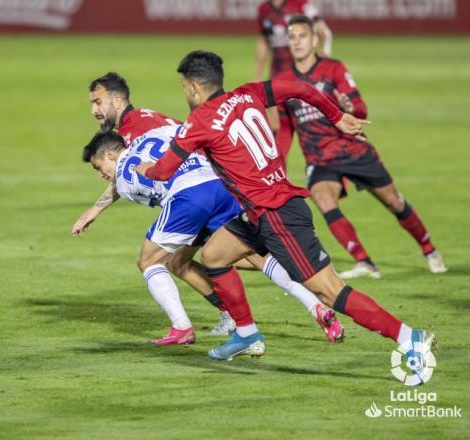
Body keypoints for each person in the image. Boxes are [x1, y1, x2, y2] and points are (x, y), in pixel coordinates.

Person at [136, 50, 436, 368]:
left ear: (195, 86)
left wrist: (145, 169)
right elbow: (299, 87)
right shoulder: (248, 94)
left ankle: (409, 337)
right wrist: (336, 116)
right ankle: (247, 335)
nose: (185, 93)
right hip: (259, 211)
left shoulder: (201, 121)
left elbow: (164, 171)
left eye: (185, 87)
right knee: (213, 256)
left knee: (331, 292)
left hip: (277, 214)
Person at [73, 72, 344, 344]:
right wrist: (95, 211)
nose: (94, 110)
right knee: (225, 257)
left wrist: (96, 209)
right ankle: (315, 306)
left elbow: (136, 169)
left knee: (162, 260)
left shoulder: (136, 128)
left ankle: (222, 320)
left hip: (197, 189)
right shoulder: (141, 122)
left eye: (98, 102)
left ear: (117, 99)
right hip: (214, 185)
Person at [273, 15, 447, 278]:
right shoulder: (284, 81)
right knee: (322, 198)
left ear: (315, 39)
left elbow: (360, 109)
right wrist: (278, 167)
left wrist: (349, 108)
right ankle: (364, 262)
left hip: (353, 150)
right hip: (319, 158)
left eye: (302, 36)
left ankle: (429, 248)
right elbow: (286, 129)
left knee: (394, 202)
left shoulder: (334, 69)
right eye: (292, 37)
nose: (297, 42)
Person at [255, 0, 333, 155]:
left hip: (302, 76)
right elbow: (264, 40)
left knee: (313, 123)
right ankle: (277, 170)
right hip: (277, 75)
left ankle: (327, 163)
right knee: (275, 125)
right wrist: (258, 72)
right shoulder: (264, 9)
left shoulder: (300, 4)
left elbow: (322, 30)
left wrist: (324, 55)